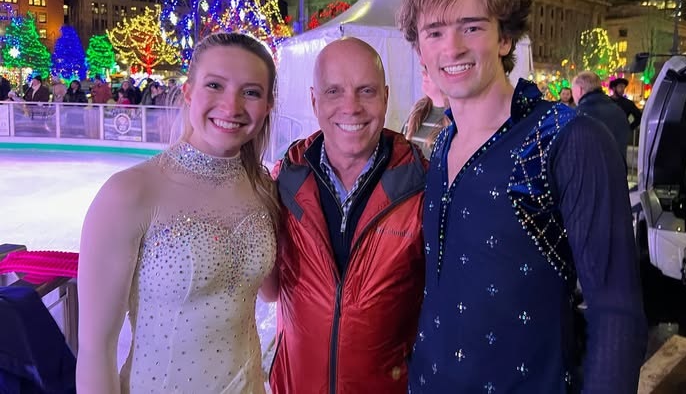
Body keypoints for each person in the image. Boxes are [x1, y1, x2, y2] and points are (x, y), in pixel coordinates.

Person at [398, 0, 646, 394]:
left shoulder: (567, 140)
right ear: (420, 50)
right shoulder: (442, 143)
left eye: (471, 27)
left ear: (505, 38)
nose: (451, 46)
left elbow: (616, 313)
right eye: (434, 32)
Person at [76, 33, 279, 394]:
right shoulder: (130, 192)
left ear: (267, 106)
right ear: (188, 92)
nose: (231, 106)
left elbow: (271, 290)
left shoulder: (264, 188)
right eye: (215, 85)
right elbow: (95, 350)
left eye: (251, 92)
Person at [270, 37, 426, 394]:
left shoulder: (422, 189)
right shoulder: (285, 182)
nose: (351, 107)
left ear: (385, 97)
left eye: (366, 91)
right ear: (314, 101)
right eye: (334, 92)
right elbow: (265, 287)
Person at [572, 71, 630, 167]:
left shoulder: (577, 115)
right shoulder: (618, 111)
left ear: (579, 90)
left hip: (589, 173)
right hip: (617, 171)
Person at [402, 66, 450, 158]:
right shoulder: (415, 114)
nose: (423, 73)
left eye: (429, 69)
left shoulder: (458, 120)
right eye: (425, 68)